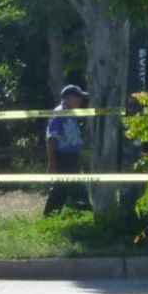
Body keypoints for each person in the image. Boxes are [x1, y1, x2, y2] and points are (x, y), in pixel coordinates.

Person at [43, 84, 92, 216]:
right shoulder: (59, 114)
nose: (81, 101)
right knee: (76, 188)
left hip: (71, 158)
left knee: (60, 190)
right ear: (69, 98)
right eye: (79, 98)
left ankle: (49, 218)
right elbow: (51, 139)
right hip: (63, 158)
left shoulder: (71, 114)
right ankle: (87, 212)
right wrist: (52, 163)